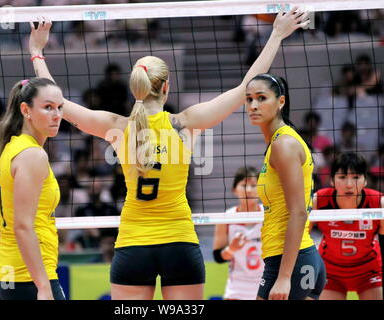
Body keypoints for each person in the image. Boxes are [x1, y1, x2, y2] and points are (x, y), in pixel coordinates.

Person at [29, 8, 310, 300]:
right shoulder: (185, 124)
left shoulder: (118, 128)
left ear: (135, 88)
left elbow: (57, 102)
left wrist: (37, 52)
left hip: (133, 245)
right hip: (180, 245)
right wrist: (276, 34)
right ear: (166, 87)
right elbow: (245, 88)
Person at [0, 78, 66, 300]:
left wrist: (7, 266)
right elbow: (21, 225)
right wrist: (43, 286)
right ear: (25, 110)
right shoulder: (32, 155)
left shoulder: (6, 151)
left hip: (2, 274)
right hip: (28, 280)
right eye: (48, 107)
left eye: (60, 107)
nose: (57, 114)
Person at [246, 73, 326, 300]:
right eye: (249, 99)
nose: (253, 105)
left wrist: (283, 277)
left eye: (262, 98)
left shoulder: (284, 144)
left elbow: (299, 212)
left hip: (291, 263)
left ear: (281, 102)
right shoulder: (278, 142)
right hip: (295, 258)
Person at [312, 152, 383, 300]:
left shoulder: (378, 203)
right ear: (332, 180)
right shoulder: (319, 200)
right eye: (342, 177)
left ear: (365, 181)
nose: (349, 184)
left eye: (356, 177)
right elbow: (302, 235)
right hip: (330, 271)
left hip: (368, 270)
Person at [212, 166, 264, 300]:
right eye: (244, 185)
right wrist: (231, 249)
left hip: (266, 285)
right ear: (234, 190)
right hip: (237, 288)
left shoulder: (269, 216)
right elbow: (218, 256)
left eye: (253, 185)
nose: (248, 190)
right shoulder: (227, 217)